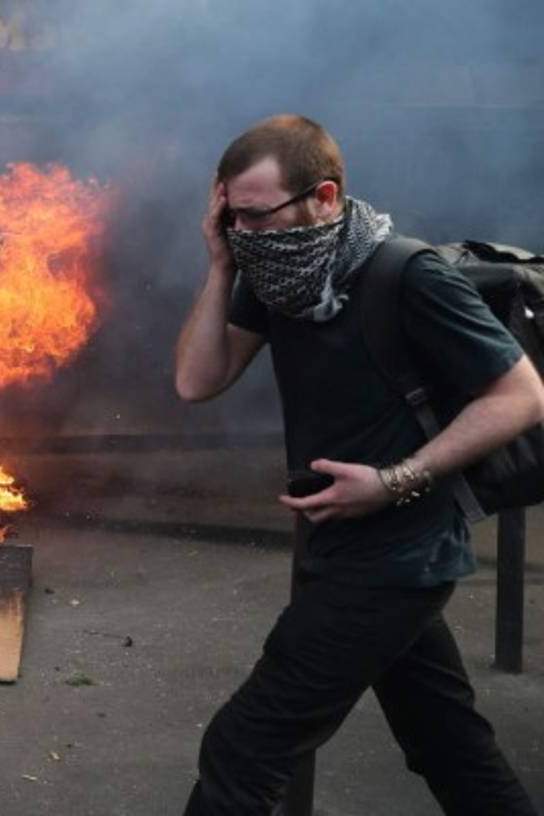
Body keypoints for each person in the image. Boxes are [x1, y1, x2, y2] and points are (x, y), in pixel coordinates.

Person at [174, 114, 544, 815]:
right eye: (231, 219)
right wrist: (221, 264)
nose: (245, 233)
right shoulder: (277, 276)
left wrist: (392, 482)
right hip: (344, 550)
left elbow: (522, 397)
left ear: (324, 197)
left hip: (395, 559)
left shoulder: (408, 276)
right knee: (449, 747)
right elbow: (197, 380)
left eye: (256, 216)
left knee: (243, 749)